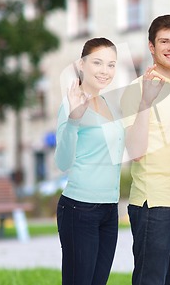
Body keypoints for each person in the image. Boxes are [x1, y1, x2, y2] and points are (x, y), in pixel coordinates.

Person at [120, 14, 170, 285]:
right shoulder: (136, 90)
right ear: (151, 47)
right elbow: (135, 151)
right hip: (154, 204)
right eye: (164, 41)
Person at [54, 37, 125, 285]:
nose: (105, 71)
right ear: (81, 64)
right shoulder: (71, 104)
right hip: (79, 209)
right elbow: (62, 162)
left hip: (109, 208)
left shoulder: (109, 104)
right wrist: (74, 119)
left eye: (111, 64)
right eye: (98, 63)